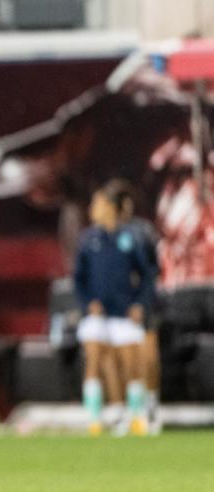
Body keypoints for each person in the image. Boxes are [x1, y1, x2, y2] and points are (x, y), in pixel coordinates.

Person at [74, 180, 153, 437]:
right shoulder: (88, 240)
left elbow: (147, 274)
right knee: (94, 360)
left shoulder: (130, 237)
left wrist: (139, 303)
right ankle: (94, 419)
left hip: (123, 312)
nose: (92, 208)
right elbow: (78, 279)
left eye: (97, 203)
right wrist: (88, 303)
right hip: (96, 315)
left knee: (132, 366)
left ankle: (136, 417)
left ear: (109, 206)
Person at [116, 184, 162, 434]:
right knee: (123, 360)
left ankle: (151, 404)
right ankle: (129, 410)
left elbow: (152, 270)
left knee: (148, 356)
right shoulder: (101, 234)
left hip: (143, 303)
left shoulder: (143, 231)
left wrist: (142, 301)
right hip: (117, 306)